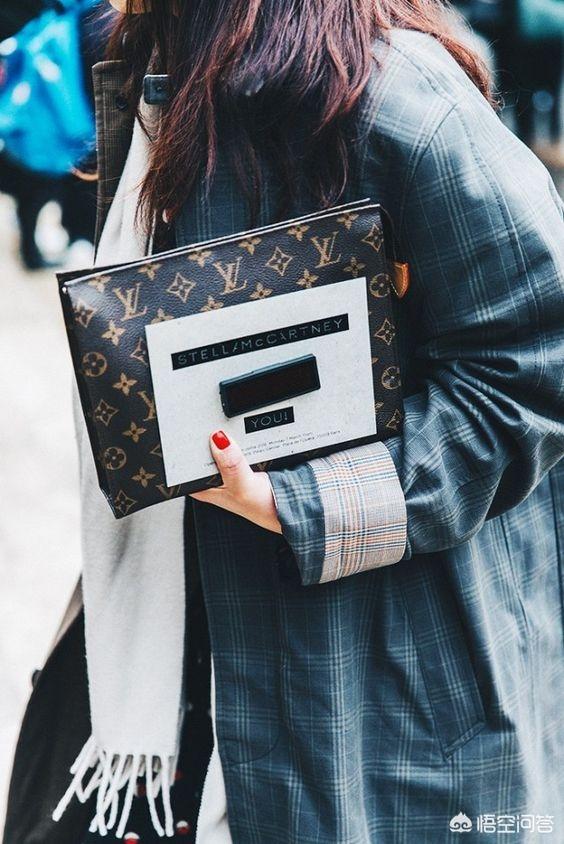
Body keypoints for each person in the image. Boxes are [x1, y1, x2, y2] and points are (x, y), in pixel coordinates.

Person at [4, 1, 564, 842]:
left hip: (383, 687)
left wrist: (306, 503)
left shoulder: (394, 95)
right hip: (177, 647)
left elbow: (534, 365)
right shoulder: (157, 69)